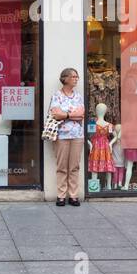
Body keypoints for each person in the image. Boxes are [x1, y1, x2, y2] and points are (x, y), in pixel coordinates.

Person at [49, 67, 85, 206]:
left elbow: (81, 114)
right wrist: (71, 115)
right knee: (62, 166)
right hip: (61, 135)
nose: (76, 79)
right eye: (73, 76)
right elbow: (56, 114)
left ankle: (73, 195)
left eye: (77, 77)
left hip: (77, 135)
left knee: (74, 166)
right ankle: (61, 195)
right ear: (65, 79)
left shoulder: (78, 96)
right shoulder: (57, 95)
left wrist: (65, 115)